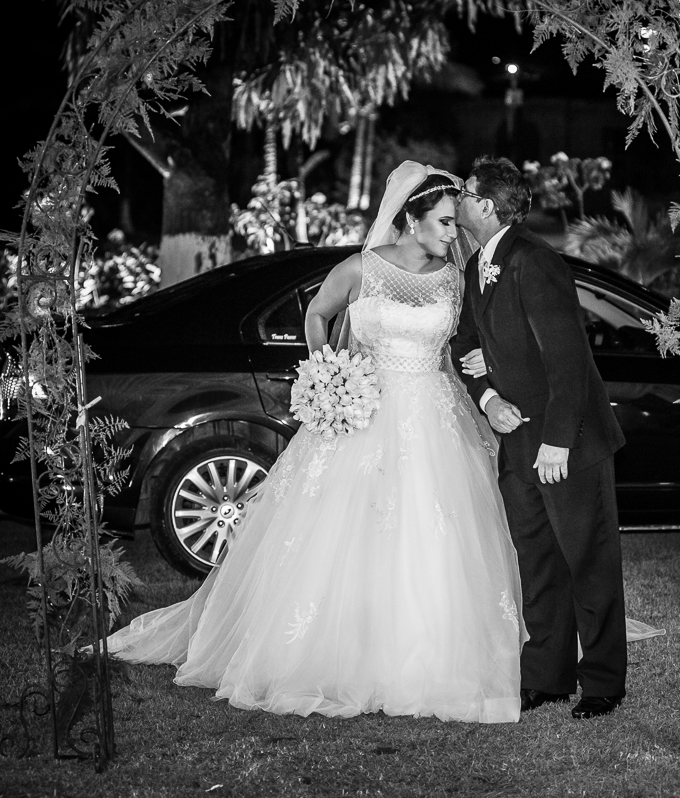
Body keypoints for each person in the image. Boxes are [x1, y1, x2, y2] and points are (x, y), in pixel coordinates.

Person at [106, 162, 527, 723]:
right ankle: (337, 649)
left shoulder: (455, 277)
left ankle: (427, 649)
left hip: (434, 416)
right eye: (446, 222)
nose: (455, 233)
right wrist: (327, 369)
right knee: (345, 530)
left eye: (457, 223)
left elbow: (469, 339)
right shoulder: (360, 268)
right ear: (412, 219)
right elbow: (318, 314)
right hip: (366, 410)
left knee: (436, 528)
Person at [450, 155, 629, 720]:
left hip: (567, 441)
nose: (457, 198)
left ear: (485, 205)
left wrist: (558, 442)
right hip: (517, 440)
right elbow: (463, 344)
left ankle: (603, 683)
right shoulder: (477, 264)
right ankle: (548, 677)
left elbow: (568, 358)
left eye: (465, 191)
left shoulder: (535, 260)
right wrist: (488, 398)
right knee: (538, 562)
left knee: (589, 562)